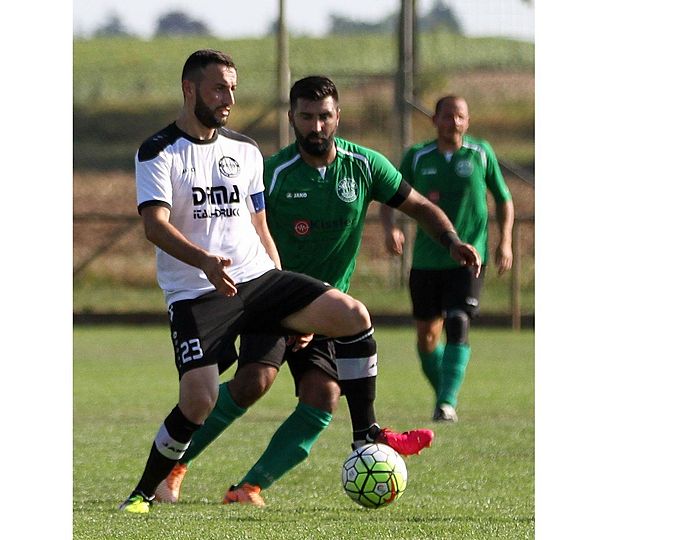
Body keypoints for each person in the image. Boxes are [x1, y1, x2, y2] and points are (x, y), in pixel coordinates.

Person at [150, 76, 483, 507]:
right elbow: (246, 232)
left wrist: (453, 239)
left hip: (328, 307)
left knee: (323, 396)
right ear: (292, 118)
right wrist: (287, 307)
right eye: (306, 117)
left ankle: (248, 488)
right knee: (254, 380)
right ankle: (174, 466)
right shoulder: (273, 173)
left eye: (324, 116)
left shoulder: (364, 166)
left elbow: (418, 206)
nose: (316, 126)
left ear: (337, 117)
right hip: (270, 292)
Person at [119, 51, 402, 514]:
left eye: (232, 87)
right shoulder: (158, 151)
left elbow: (260, 225)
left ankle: (364, 433)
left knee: (352, 315)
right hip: (197, 291)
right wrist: (205, 262)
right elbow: (154, 224)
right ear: (189, 90)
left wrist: (287, 298)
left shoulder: (245, 150)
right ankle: (144, 492)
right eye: (217, 88)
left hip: (259, 279)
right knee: (199, 400)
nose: (228, 97)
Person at [381, 95, 514, 422]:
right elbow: (389, 196)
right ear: (434, 120)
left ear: (467, 121)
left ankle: (445, 403)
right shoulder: (417, 156)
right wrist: (391, 228)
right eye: (447, 116)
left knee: (458, 320)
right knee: (427, 335)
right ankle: (446, 394)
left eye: (460, 116)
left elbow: (504, 199)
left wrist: (505, 242)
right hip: (426, 261)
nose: (453, 122)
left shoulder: (481, 153)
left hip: (469, 258)